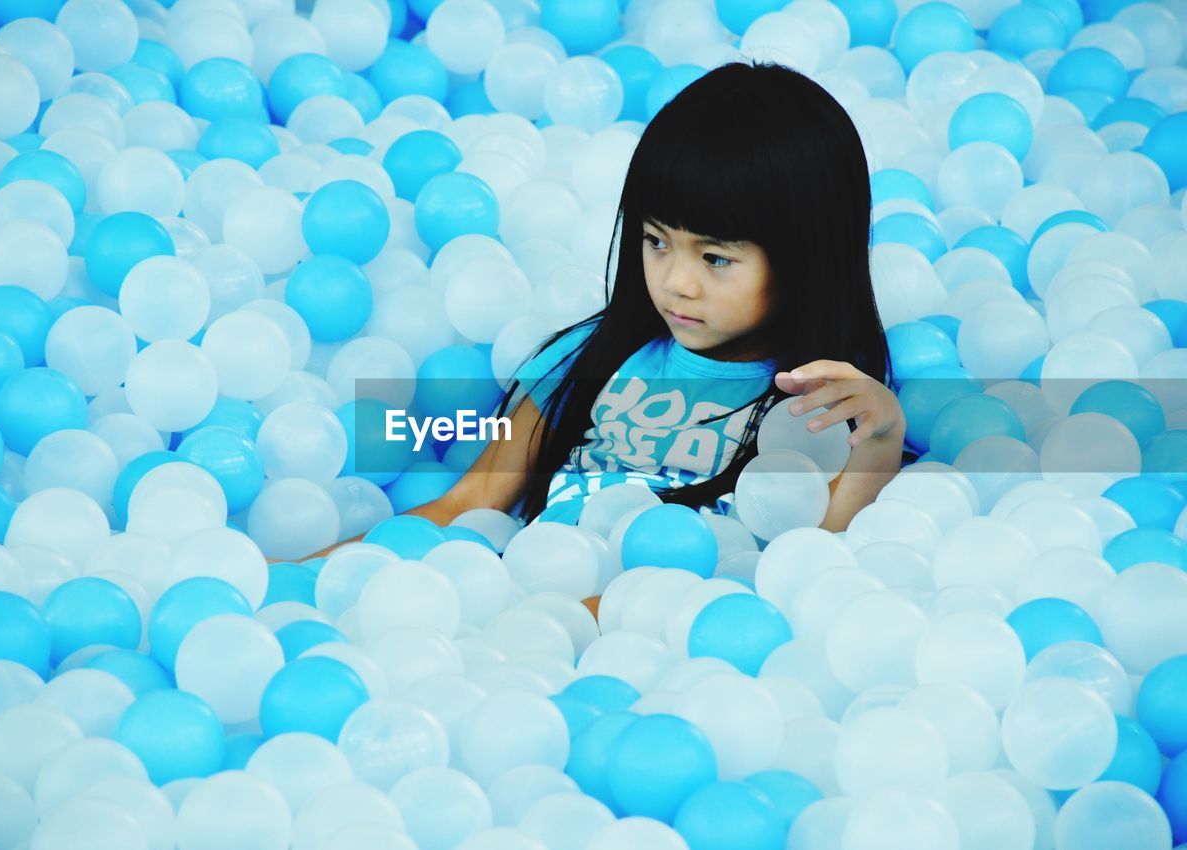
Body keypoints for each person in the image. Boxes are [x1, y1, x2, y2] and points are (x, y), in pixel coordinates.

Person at [304, 60, 909, 570]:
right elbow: (475, 498)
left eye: (716, 258)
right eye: (655, 241)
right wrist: (318, 571)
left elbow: (808, 560)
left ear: (808, 257)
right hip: (522, 598)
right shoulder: (592, 358)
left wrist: (880, 444)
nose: (675, 282)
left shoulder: (818, 409)